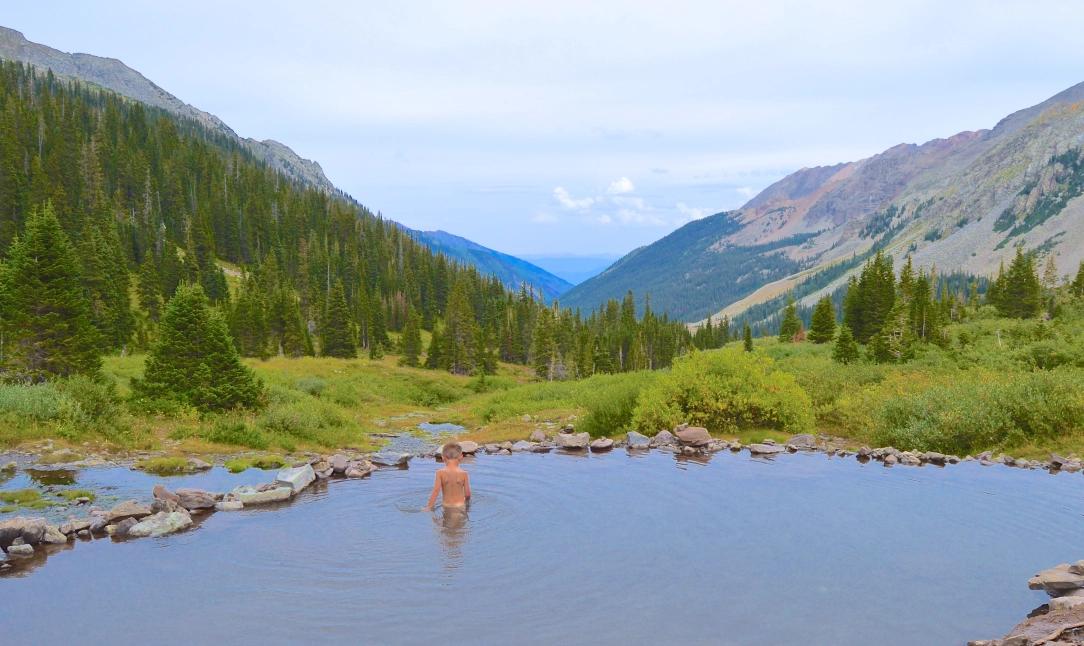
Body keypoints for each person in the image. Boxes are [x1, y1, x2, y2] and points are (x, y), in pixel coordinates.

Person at [424, 442, 471, 512]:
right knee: (460, 522)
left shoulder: (440, 473)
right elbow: (467, 494)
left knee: (445, 523)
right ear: (461, 457)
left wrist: (429, 507)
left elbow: (436, 491)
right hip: (460, 506)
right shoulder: (464, 473)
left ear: (443, 457)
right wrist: (467, 505)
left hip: (446, 506)